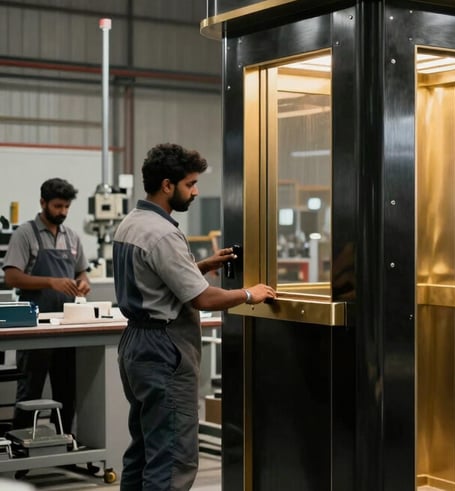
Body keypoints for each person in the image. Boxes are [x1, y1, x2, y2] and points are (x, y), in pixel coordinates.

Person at [113, 143, 276, 490]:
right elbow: (202, 298)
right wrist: (250, 294)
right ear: (168, 185)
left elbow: (155, 278)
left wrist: (200, 265)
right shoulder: (163, 234)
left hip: (135, 345)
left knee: (144, 449)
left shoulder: (132, 223)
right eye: (190, 184)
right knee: (172, 457)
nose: (196, 191)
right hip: (163, 349)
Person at [2, 178, 91, 434]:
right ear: (43, 203)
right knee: (30, 388)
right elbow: (11, 277)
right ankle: (21, 448)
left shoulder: (71, 237)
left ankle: (65, 442)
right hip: (34, 325)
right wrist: (50, 282)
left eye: (66, 207)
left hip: (67, 325)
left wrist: (83, 284)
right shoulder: (25, 234)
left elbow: (82, 273)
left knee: (67, 388)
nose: (62, 212)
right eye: (57, 206)